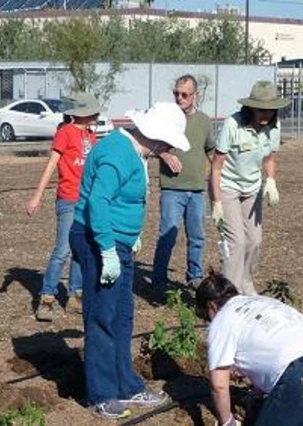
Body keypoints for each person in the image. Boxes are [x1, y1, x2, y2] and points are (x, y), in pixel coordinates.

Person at [69, 102, 190, 419]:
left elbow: (127, 198)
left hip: (117, 241)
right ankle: (102, 393)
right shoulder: (117, 153)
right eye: (168, 142)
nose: (168, 148)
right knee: (102, 316)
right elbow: (97, 201)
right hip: (98, 240)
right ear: (157, 136)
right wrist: (108, 249)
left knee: (122, 315)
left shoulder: (133, 152)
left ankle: (126, 383)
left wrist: (130, 235)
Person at [195, 270, 303, 426]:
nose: (208, 321)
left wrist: (228, 422)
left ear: (211, 306)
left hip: (299, 376)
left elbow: (219, 386)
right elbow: (269, 348)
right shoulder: (261, 302)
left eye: (205, 315)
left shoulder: (221, 320)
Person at [26, 94, 104, 321]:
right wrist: (37, 196)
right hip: (69, 198)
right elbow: (52, 164)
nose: (96, 116)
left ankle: (75, 295)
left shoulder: (91, 135)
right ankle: (47, 297)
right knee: (63, 249)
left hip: (86, 200)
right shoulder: (65, 132)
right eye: (92, 112)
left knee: (80, 247)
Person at [210, 81, 289, 295]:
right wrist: (216, 202)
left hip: (252, 188)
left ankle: (245, 282)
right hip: (228, 187)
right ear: (251, 107)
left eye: (270, 110)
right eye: (261, 109)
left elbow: (269, 157)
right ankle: (229, 294)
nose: (266, 114)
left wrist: (270, 180)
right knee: (236, 242)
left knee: (254, 240)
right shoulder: (232, 125)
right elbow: (216, 166)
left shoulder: (274, 127)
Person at [152, 74, 214, 290]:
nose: (179, 98)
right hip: (172, 188)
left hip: (196, 190)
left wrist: (220, 173)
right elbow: (150, 144)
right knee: (168, 235)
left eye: (185, 94)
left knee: (197, 236)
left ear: (195, 95)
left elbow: (211, 150)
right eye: (176, 93)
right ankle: (159, 280)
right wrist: (164, 154)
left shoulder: (205, 121)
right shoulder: (166, 118)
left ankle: (194, 276)